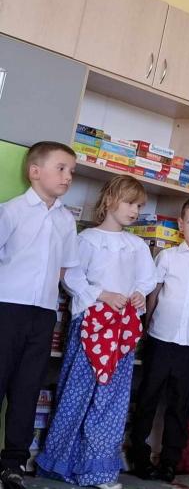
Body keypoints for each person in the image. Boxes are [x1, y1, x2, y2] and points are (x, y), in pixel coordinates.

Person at [37, 176, 155, 489]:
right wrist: (103, 295)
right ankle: (61, 463)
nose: (135, 211)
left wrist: (139, 294)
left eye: (139, 206)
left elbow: (147, 279)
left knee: (111, 401)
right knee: (76, 395)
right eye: (130, 203)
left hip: (121, 331)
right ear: (110, 200)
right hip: (91, 326)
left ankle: (98, 471)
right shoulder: (87, 239)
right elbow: (71, 277)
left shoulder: (137, 246)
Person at [130, 195, 189, 482]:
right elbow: (154, 295)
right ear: (181, 225)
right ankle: (139, 457)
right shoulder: (167, 257)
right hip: (160, 338)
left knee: (179, 402)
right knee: (148, 397)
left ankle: (169, 461)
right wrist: (148, 326)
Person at [0, 142, 79, 489]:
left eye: (72, 171)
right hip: (6, 309)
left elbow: (65, 270)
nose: (68, 176)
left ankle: (12, 464)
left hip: (44, 314)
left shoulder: (66, 220)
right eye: (61, 168)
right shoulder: (11, 212)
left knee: (27, 389)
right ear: (35, 171)